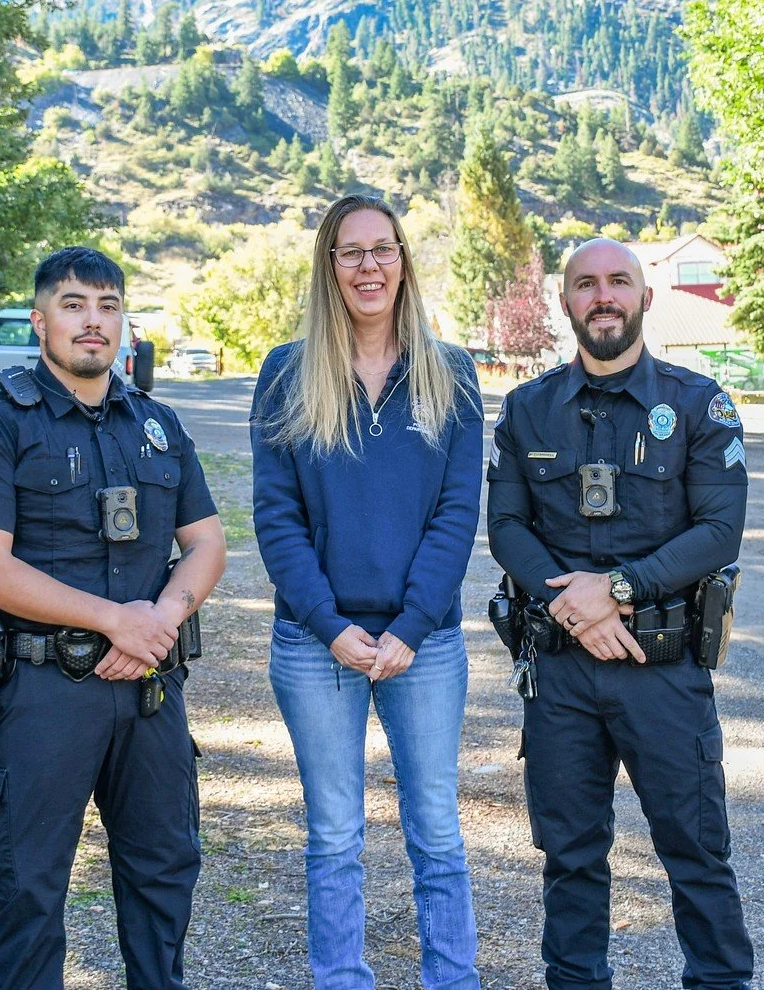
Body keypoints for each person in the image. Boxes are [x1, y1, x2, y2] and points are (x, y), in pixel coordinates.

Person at [0, 246, 227, 990]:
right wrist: (116, 621)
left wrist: (160, 617)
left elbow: (207, 541)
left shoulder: (159, 424)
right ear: (40, 321)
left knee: (165, 874)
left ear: (123, 322)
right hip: (44, 692)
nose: (91, 321)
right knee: (30, 887)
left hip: (151, 689)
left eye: (106, 306)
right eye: (73, 304)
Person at [488, 237, 754, 990]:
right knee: (570, 858)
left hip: (662, 672)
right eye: (585, 284)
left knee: (696, 853)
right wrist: (576, 608)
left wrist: (619, 589)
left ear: (644, 297)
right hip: (562, 673)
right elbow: (506, 527)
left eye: (618, 282)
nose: (602, 295)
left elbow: (718, 530)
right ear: (565, 301)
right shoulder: (527, 408)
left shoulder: (699, 403)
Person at [251, 195, 485, 990]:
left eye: (382, 249)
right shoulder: (288, 372)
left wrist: (414, 624)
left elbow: (457, 514)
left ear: (403, 260)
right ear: (329, 267)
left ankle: (453, 979)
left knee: (438, 834)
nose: (368, 266)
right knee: (334, 836)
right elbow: (275, 516)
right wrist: (327, 623)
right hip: (317, 644)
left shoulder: (449, 371)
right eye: (350, 252)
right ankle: (340, 978)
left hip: (425, 643)